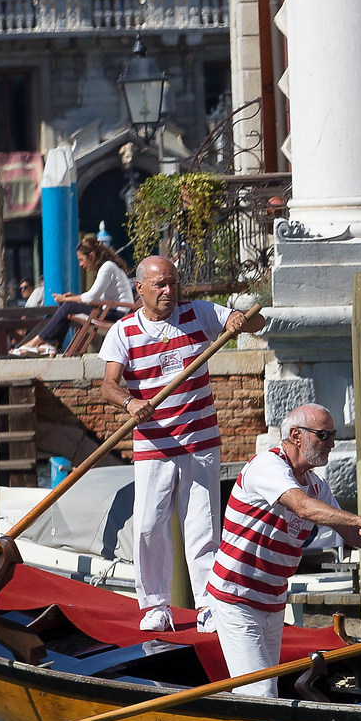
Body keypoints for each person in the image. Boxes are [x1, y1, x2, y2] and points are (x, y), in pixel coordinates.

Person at [100, 254, 265, 633]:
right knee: (147, 526)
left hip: (200, 441)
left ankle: (208, 604)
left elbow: (256, 322)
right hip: (153, 444)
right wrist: (130, 402)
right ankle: (155, 606)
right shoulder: (123, 332)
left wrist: (241, 319)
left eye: (173, 283)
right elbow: (109, 385)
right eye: (160, 284)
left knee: (203, 528)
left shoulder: (200, 314)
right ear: (139, 287)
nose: (168, 291)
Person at [204, 404, 361, 696]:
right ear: (296, 436)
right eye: (323, 435)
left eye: (333, 436)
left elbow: (350, 532)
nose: (331, 444)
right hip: (235, 597)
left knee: (268, 690)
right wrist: (360, 519)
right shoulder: (267, 466)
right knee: (260, 693)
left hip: (272, 599)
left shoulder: (318, 487)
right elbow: (303, 509)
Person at [17, 236, 134, 355]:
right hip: (112, 312)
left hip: (116, 315)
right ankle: (51, 344)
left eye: (81, 260)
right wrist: (73, 298)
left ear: (92, 256)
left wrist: (67, 299)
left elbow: (91, 297)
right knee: (68, 307)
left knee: (68, 306)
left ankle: (36, 342)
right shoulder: (107, 267)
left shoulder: (107, 267)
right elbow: (97, 299)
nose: (81, 264)